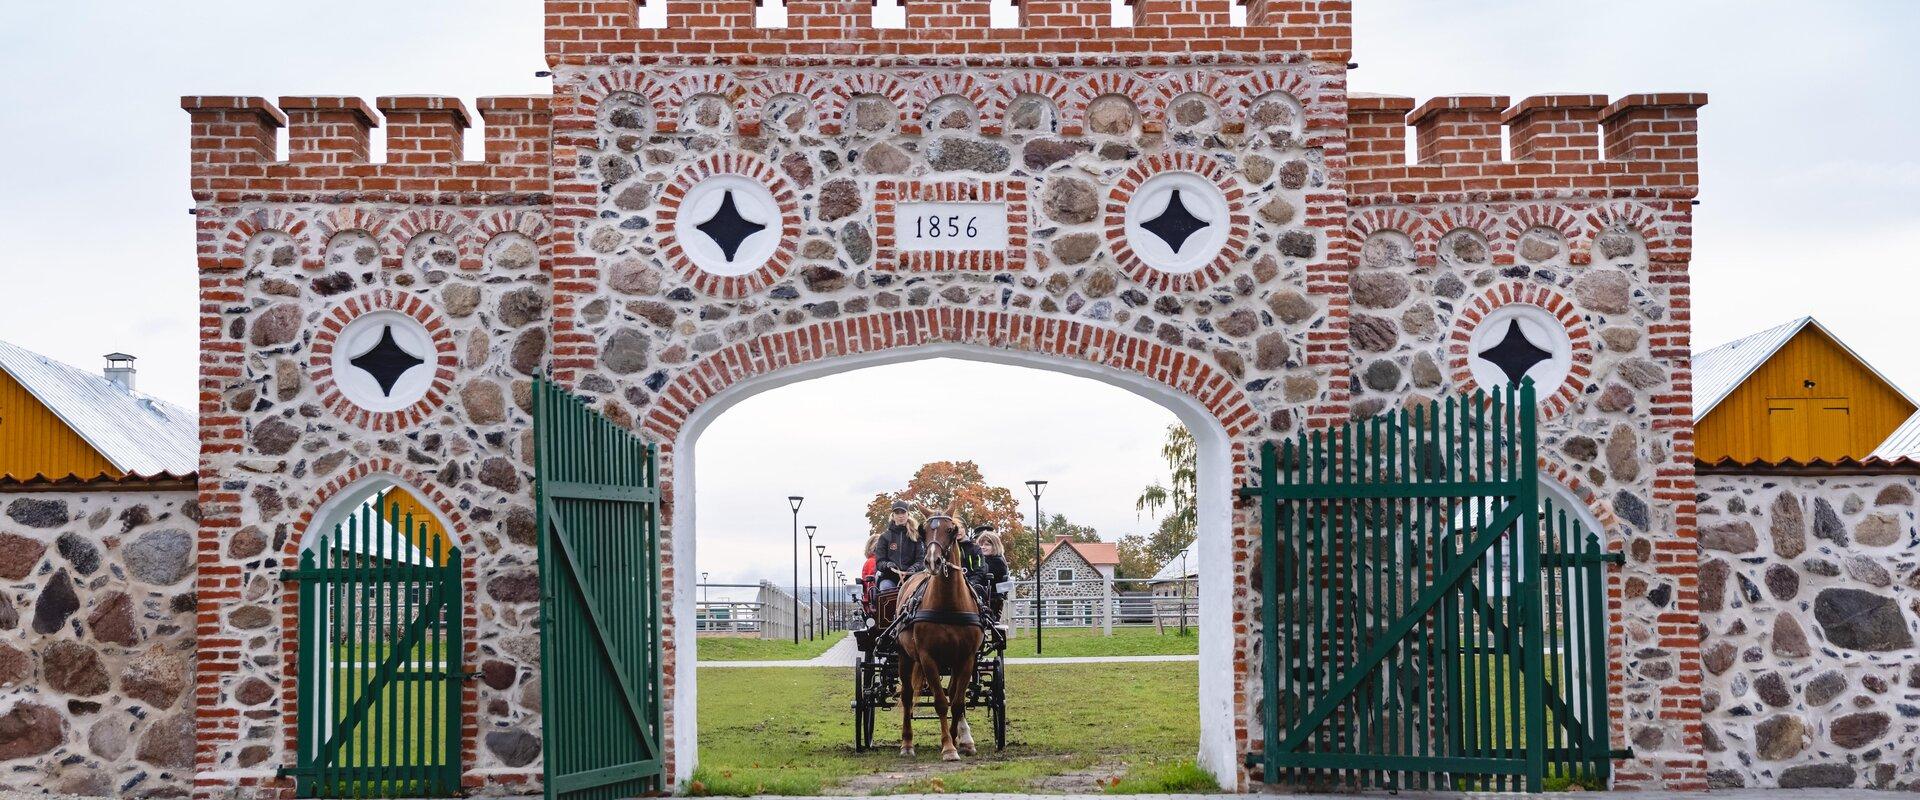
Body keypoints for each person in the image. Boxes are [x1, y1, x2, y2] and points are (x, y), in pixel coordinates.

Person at [872, 501, 924, 594]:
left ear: (908, 514)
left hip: (912, 578)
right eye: (897, 513)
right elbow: (879, 562)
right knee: (886, 588)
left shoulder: (916, 537)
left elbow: (921, 560)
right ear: (893, 515)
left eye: (903, 512)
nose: (901, 516)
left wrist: (914, 568)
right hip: (889, 578)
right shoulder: (884, 537)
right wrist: (887, 565)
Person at [972, 528, 1010, 620]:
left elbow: (981, 578)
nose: (983, 547)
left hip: (989, 599)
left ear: (995, 546)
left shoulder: (997, 562)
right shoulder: (980, 560)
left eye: (987, 544)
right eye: (980, 545)